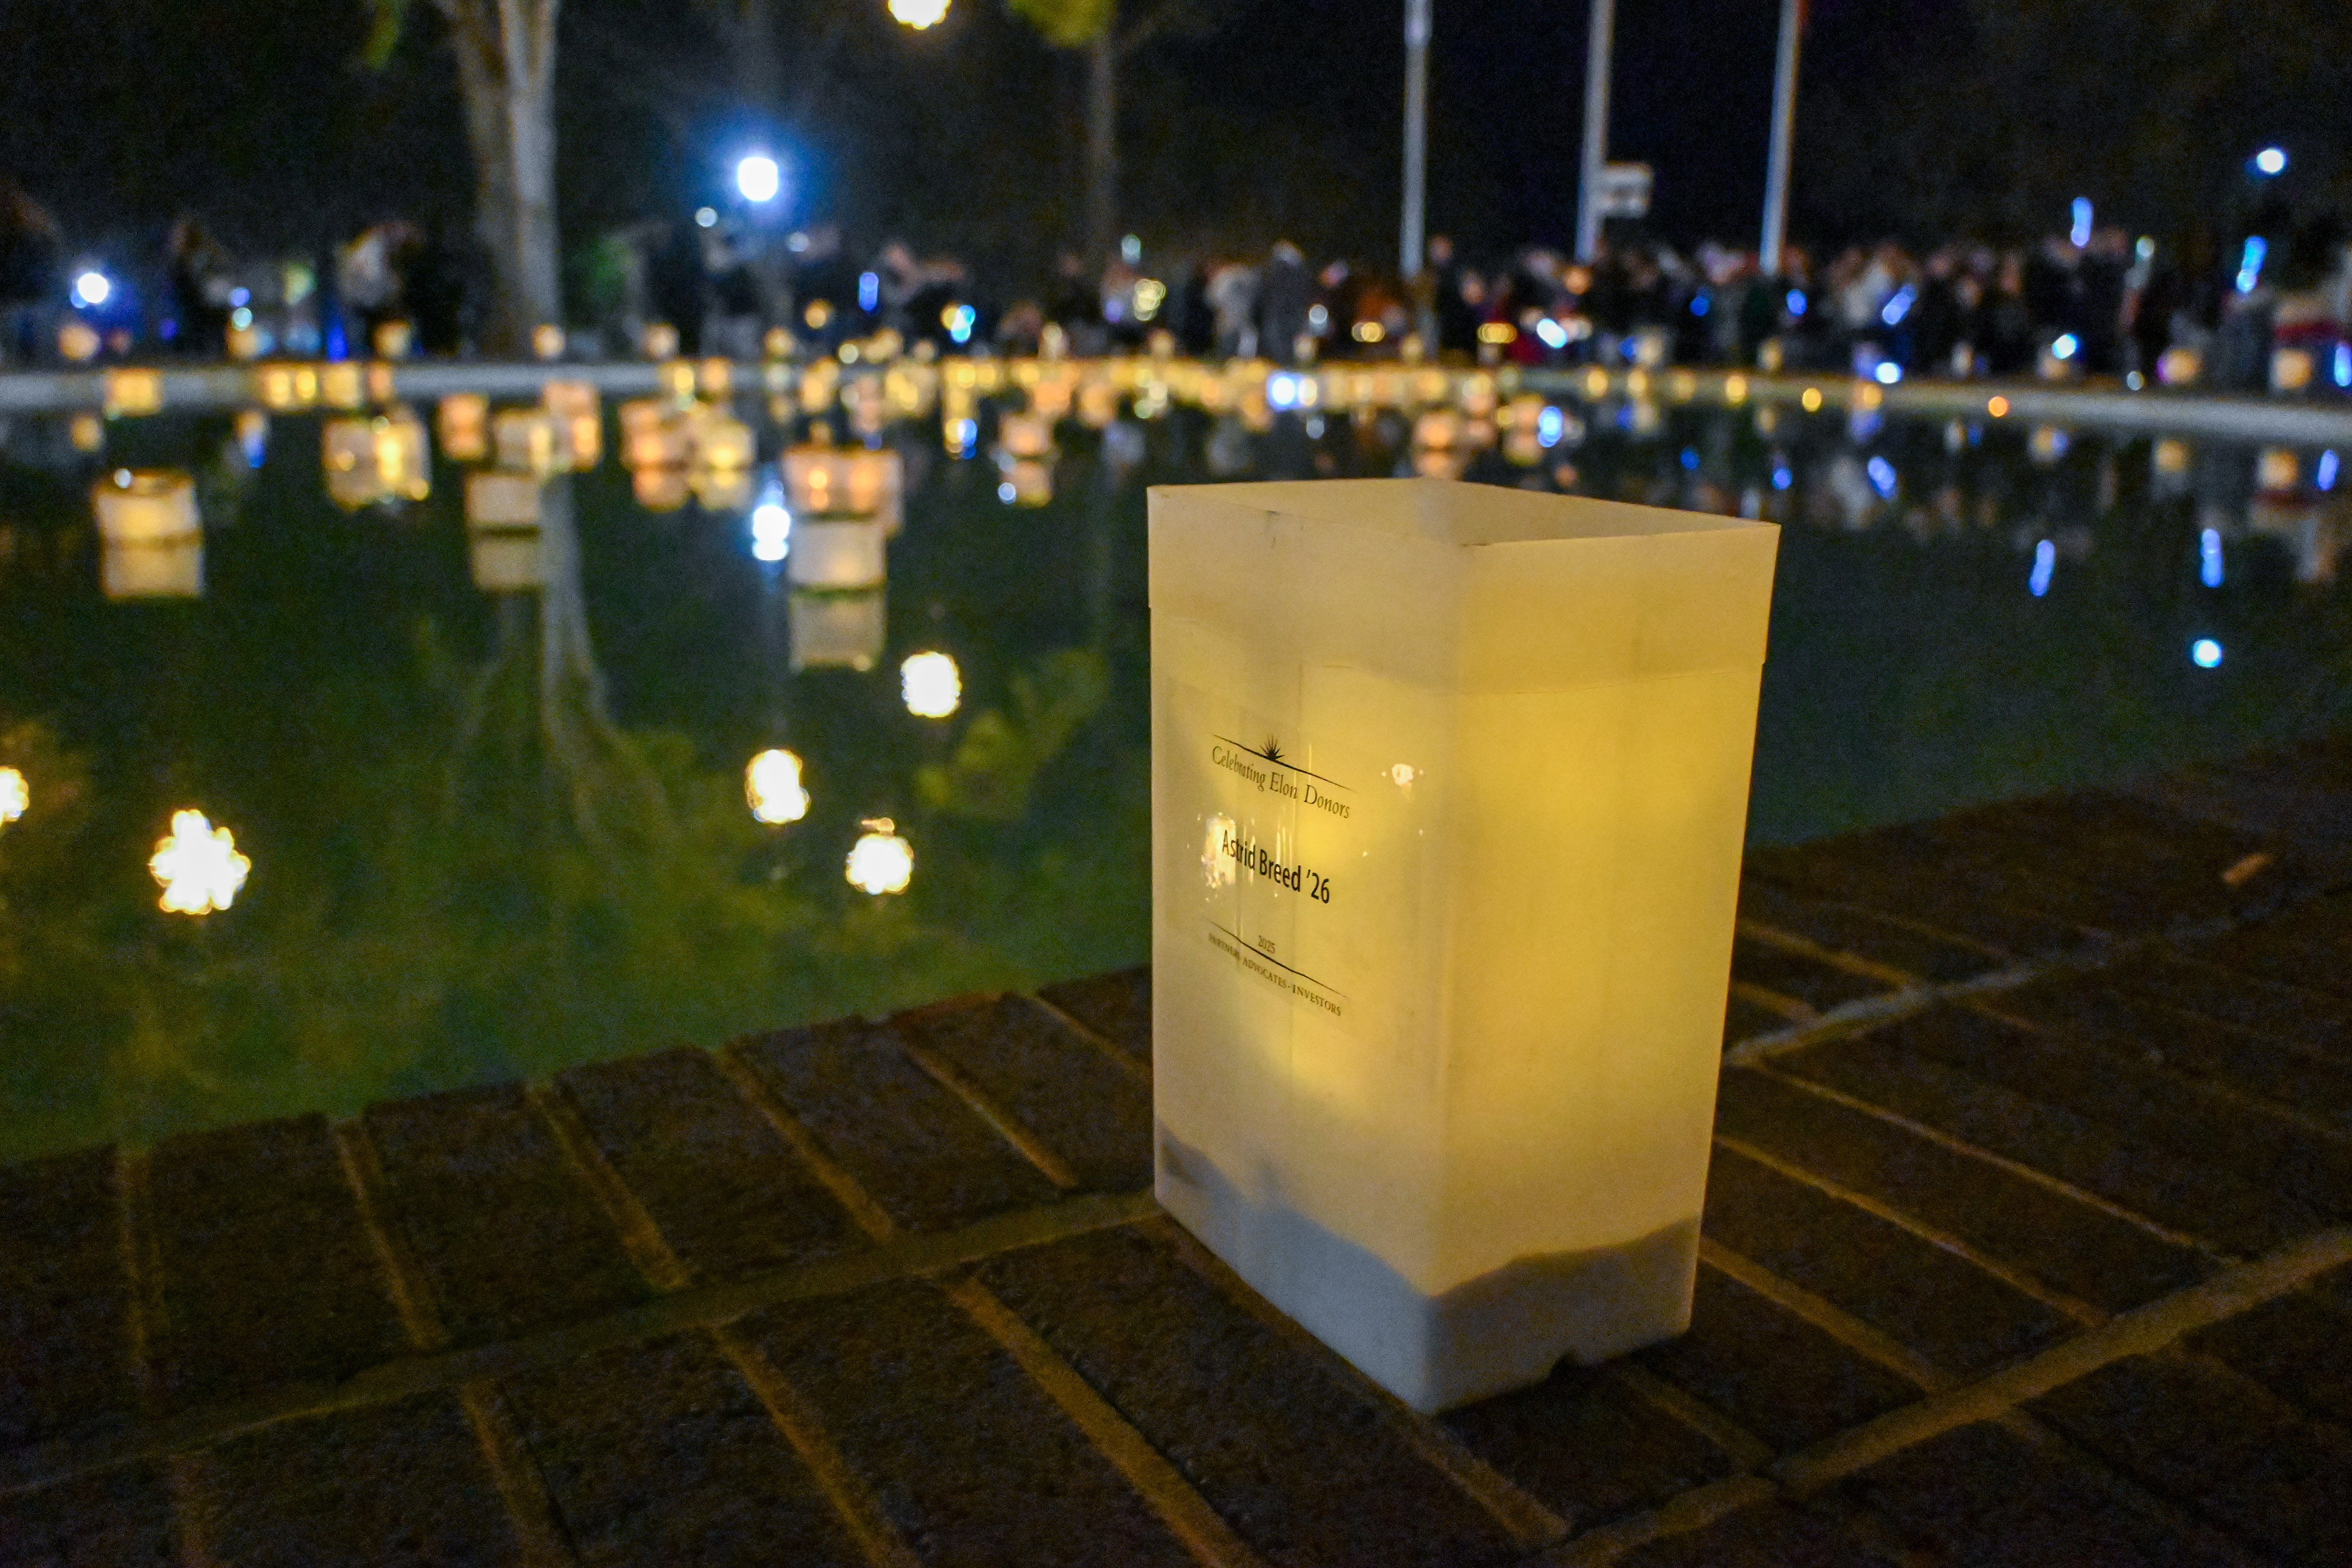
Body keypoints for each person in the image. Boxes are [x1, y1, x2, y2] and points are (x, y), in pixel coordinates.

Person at [0, 180, 63, 362]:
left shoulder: (35, 226)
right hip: (11, 298)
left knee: (32, 324)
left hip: (35, 296)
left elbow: (53, 258)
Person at [1259, 240, 1312, 365]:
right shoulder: (1298, 273)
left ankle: (1283, 365)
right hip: (1287, 315)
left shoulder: (1281, 272)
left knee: (1280, 346)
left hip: (1281, 315)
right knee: (1284, 347)